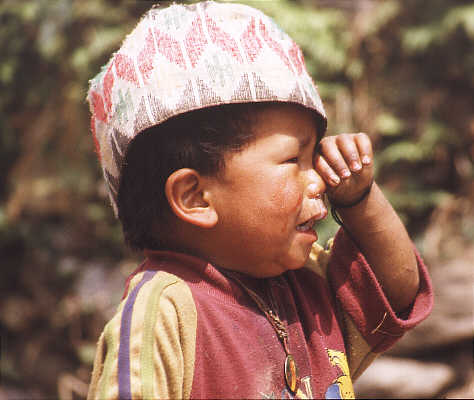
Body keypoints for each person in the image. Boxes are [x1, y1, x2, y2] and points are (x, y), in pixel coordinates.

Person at [86, 2, 433, 399]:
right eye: (293, 160)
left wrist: (359, 200)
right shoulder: (164, 311)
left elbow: (397, 287)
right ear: (195, 197)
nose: (319, 180)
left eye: (315, 157)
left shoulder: (306, 285)